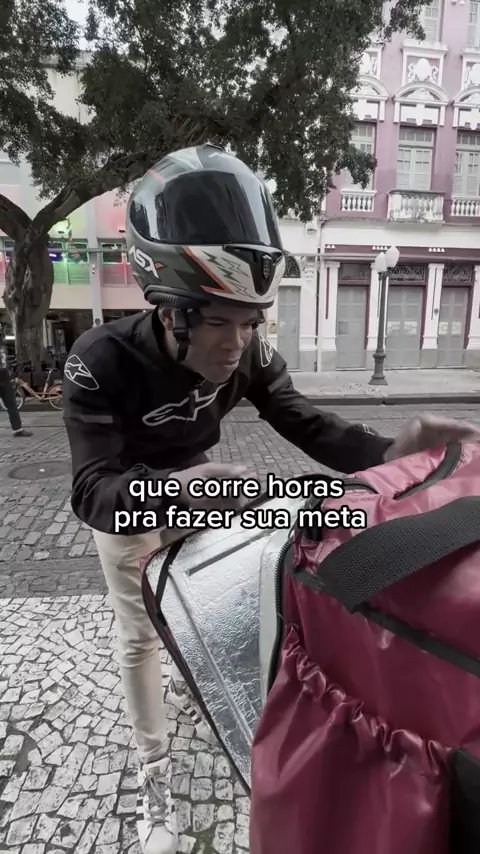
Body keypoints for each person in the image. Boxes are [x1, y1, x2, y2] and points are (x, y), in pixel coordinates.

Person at [62, 143, 480, 854]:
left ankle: (207, 695)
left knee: (211, 608)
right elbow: (91, 492)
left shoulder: (248, 353)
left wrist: (392, 451)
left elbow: (307, 422)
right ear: (168, 308)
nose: (238, 344)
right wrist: (174, 492)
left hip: (207, 492)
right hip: (132, 499)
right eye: (217, 322)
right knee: (138, 638)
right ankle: (155, 782)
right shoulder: (98, 360)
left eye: (251, 320)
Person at [0, 333, 32, 437]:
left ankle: (17, 429)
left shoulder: (2, 345)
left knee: (12, 404)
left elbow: (4, 361)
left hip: (4, 378)